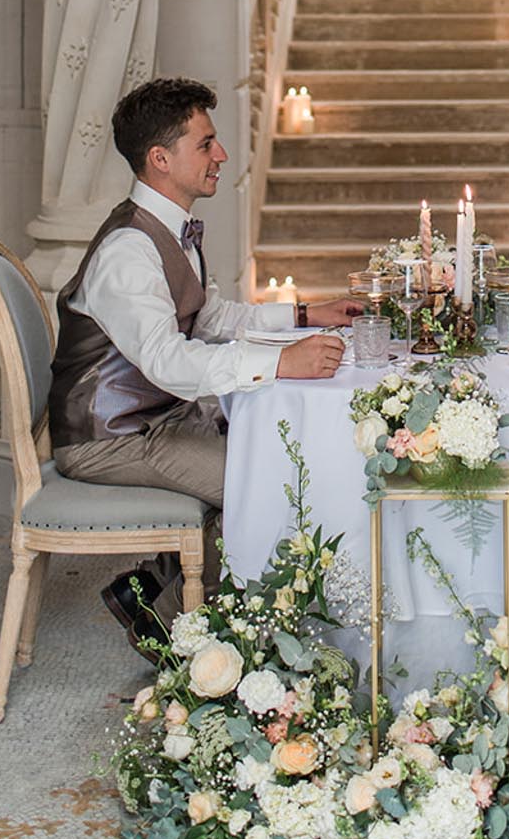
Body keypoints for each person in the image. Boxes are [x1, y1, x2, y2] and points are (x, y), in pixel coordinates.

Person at [47, 75, 358, 650]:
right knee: (272, 480)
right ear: (160, 159)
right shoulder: (129, 250)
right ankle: (235, 642)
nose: (222, 155)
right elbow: (168, 361)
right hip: (112, 437)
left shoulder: (172, 230)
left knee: (283, 448)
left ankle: (154, 592)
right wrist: (280, 365)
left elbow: (208, 317)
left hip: (159, 421)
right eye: (206, 143)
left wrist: (304, 315)